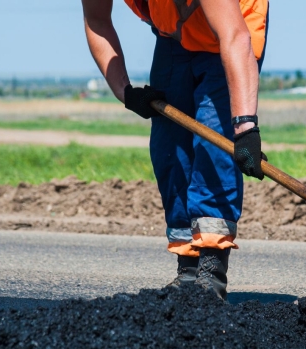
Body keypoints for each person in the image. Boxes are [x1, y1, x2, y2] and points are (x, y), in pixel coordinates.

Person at [81, 0, 269, 300]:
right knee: (170, 150)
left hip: (231, 27)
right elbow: (97, 21)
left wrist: (245, 129)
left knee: (214, 147)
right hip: (175, 35)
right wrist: (126, 92)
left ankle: (211, 274)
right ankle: (188, 272)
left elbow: (235, 36)